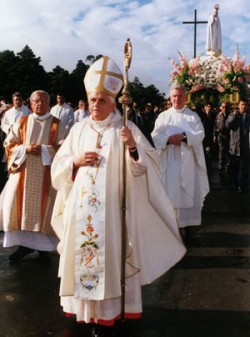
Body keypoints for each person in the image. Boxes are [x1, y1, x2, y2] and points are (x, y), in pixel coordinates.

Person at [51, 56, 186, 337]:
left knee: (109, 262)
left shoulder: (125, 129)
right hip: (81, 212)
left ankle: (107, 315)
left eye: (101, 100)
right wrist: (75, 162)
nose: (95, 106)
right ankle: (85, 314)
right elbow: (59, 168)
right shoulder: (78, 130)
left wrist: (133, 146)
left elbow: (146, 168)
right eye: (92, 100)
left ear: (114, 102)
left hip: (111, 213)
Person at [1, 90, 68, 262]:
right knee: (18, 207)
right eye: (36, 101)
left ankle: (44, 250)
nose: (40, 104)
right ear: (30, 103)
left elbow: (65, 148)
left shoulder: (57, 124)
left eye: (44, 101)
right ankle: (23, 246)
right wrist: (25, 149)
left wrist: (45, 150)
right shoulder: (22, 122)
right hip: (24, 173)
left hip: (48, 177)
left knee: (46, 210)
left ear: (49, 103)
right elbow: (9, 144)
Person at [151, 83, 209, 235]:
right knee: (170, 192)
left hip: (187, 163)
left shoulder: (192, 116)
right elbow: (155, 136)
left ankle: (187, 225)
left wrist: (184, 136)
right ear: (170, 97)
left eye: (180, 96)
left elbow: (200, 135)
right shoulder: (163, 117)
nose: (177, 99)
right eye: (174, 96)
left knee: (186, 191)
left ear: (185, 97)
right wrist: (169, 139)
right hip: (169, 162)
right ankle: (171, 226)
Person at [225, 99, 250, 192]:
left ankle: (241, 186)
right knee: (235, 167)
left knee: (243, 168)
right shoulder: (233, 115)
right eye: (242, 104)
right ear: (239, 105)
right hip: (235, 146)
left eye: (245, 105)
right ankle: (236, 184)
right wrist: (234, 116)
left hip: (245, 146)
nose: (244, 106)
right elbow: (227, 125)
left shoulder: (248, 116)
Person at [213, 102, 230, 172]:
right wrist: (214, 135)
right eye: (223, 107)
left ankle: (227, 166)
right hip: (220, 135)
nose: (224, 108)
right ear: (220, 107)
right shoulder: (218, 115)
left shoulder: (230, 115)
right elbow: (215, 125)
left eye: (226, 107)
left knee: (228, 151)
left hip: (228, 135)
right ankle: (221, 165)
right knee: (221, 150)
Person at [200, 103, 216, 172]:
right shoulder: (202, 115)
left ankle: (209, 165)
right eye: (207, 106)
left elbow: (215, 125)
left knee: (209, 151)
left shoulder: (213, 115)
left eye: (209, 106)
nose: (208, 108)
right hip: (203, 135)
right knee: (203, 151)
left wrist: (214, 134)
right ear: (204, 107)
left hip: (210, 135)